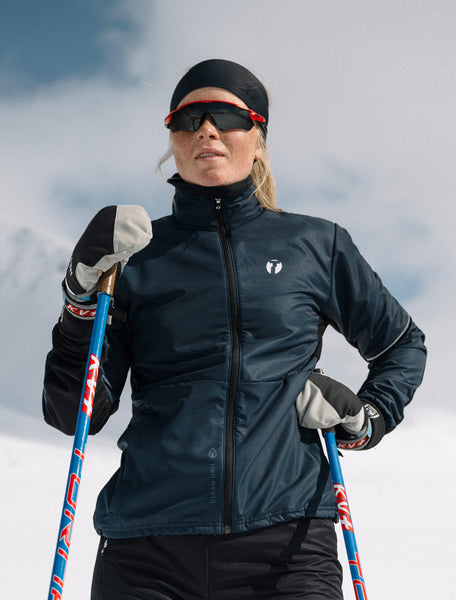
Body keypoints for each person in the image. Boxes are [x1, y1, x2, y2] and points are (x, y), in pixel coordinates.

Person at [43, 59, 427, 600]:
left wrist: (369, 415)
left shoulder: (316, 246)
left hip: (286, 544)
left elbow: (402, 345)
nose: (207, 129)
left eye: (225, 114)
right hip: (148, 547)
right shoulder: (134, 258)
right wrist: (81, 300)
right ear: (173, 139)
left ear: (259, 136)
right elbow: (73, 411)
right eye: (188, 117)